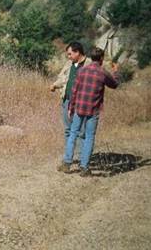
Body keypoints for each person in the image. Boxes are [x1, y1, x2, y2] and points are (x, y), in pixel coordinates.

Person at [59, 47, 119, 177]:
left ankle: (67, 163)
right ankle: (84, 167)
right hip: (93, 109)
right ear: (101, 59)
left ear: (91, 57)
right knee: (89, 137)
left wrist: (71, 107)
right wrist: (115, 72)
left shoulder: (82, 71)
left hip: (79, 107)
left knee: (73, 134)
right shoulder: (103, 72)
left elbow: (74, 90)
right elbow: (114, 85)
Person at [50, 42, 91, 149]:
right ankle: (69, 156)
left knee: (81, 130)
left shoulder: (89, 64)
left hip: (81, 103)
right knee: (68, 129)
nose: (68, 57)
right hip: (67, 100)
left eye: (70, 54)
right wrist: (55, 85)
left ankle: (81, 156)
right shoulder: (69, 64)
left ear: (77, 52)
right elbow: (62, 78)